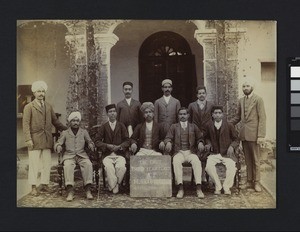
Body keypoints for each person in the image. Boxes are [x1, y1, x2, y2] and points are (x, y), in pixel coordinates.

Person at [22, 80, 67, 196]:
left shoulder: (48, 106)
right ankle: (33, 186)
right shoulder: (29, 107)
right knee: (34, 164)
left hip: (47, 139)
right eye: (38, 91)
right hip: (34, 139)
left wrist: (67, 129)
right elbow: (25, 124)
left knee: (46, 163)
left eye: (42, 91)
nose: (41, 93)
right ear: (34, 93)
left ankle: (44, 184)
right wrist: (28, 139)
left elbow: (55, 121)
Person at [230, 77, 266, 192]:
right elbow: (238, 117)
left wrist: (261, 135)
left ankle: (257, 182)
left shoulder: (258, 99)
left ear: (252, 87)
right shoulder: (241, 100)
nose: (245, 88)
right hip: (244, 134)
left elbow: (262, 118)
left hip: (255, 134)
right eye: (244, 86)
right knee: (247, 159)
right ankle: (249, 181)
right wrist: (227, 124)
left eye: (248, 86)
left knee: (256, 159)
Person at [164, 107, 205, 199]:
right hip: (179, 152)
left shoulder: (193, 126)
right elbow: (168, 137)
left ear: (188, 115)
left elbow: (200, 138)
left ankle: (198, 188)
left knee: (197, 162)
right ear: (178, 116)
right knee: (176, 161)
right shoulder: (174, 126)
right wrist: (168, 142)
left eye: (184, 114)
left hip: (191, 152)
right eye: (181, 114)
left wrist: (201, 143)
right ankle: (180, 188)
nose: (182, 116)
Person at [54, 111, 95, 201]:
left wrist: (91, 144)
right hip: (69, 156)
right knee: (68, 166)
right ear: (70, 122)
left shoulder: (84, 132)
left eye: (77, 121)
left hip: (81, 155)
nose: (75, 123)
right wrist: (58, 146)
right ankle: (70, 191)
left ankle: (88, 190)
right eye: (73, 121)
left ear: (79, 122)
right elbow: (58, 143)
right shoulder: (65, 133)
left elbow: (90, 141)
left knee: (88, 164)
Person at [204, 105, 240, 195]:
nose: (217, 115)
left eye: (219, 113)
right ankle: (218, 186)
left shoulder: (229, 125)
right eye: (215, 113)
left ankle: (226, 186)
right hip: (214, 153)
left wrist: (232, 146)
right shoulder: (209, 125)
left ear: (223, 115)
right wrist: (208, 143)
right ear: (212, 115)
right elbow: (206, 137)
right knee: (208, 167)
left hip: (226, 153)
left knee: (232, 167)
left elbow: (236, 139)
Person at [95, 104, 130, 194]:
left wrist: (120, 146)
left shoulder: (121, 126)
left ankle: (114, 185)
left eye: (114, 111)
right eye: (110, 112)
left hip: (119, 154)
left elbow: (127, 140)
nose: (112, 113)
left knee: (121, 167)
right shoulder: (104, 126)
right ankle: (116, 185)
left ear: (116, 113)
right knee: (109, 167)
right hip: (107, 155)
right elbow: (97, 141)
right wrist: (107, 146)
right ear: (107, 114)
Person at [188, 85, 214, 183]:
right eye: (199, 93)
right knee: (196, 155)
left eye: (203, 93)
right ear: (196, 95)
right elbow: (189, 121)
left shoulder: (211, 105)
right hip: (195, 134)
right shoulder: (192, 105)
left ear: (206, 94)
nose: (201, 95)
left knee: (206, 153)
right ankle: (195, 177)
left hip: (207, 134)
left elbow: (212, 119)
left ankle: (204, 175)